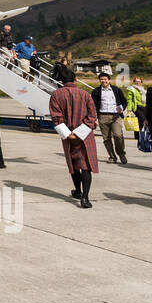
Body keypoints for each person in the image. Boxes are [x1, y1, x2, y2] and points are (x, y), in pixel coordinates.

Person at [49, 68, 99, 208]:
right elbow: (92, 116)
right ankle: (85, 197)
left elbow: (56, 117)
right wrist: (80, 132)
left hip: (68, 135)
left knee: (73, 163)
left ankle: (77, 190)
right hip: (85, 135)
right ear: (75, 79)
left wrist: (68, 133)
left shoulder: (56, 95)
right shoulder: (85, 94)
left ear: (61, 81)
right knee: (86, 165)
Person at [91, 72, 129, 165]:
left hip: (115, 116)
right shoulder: (96, 91)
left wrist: (122, 108)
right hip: (102, 116)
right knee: (106, 138)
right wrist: (94, 117)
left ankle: (121, 154)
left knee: (118, 135)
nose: (103, 81)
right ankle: (112, 157)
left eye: (105, 79)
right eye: (101, 79)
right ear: (99, 80)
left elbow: (124, 102)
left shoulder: (116, 90)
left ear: (109, 80)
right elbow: (92, 105)